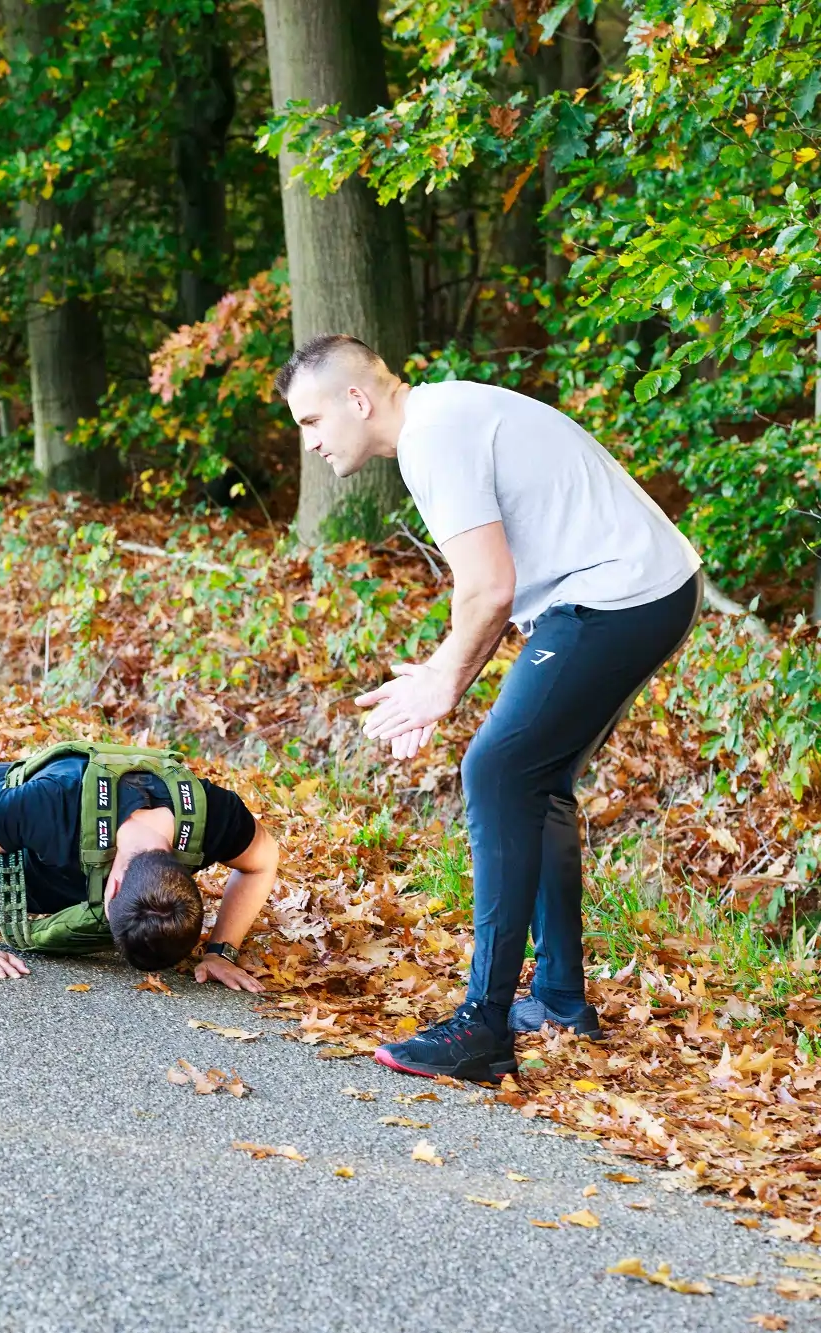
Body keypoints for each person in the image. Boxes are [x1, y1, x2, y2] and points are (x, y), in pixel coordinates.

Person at [275, 334, 703, 1081]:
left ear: (356, 399)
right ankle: (561, 1000)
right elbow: (491, 590)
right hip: (640, 591)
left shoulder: (434, 435)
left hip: (619, 596)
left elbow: (488, 589)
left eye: (311, 422)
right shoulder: (444, 418)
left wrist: (444, 683)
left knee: (498, 770)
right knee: (533, 781)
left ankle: (483, 1025)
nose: (309, 442)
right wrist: (442, 675)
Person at [0, 745, 280, 983]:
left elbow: (263, 862)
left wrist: (220, 951)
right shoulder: (55, 805)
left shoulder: (215, 819)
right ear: (115, 885)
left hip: (34, 850)